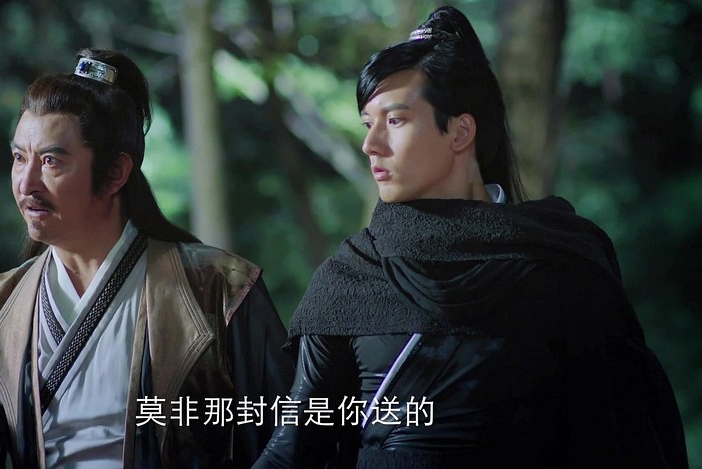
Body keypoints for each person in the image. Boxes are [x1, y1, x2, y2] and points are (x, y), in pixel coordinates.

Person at [254, 6, 688, 469]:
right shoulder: (352, 274)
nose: (370, 144)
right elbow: (294, 448)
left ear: (460, 131)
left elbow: (619, 437)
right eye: (367, 124)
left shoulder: (559, 263)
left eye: (395, 121)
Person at [0, 48, 294, 469]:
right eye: (19, 158)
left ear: (115, 173)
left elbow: (289, 431)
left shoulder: (215, 288)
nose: (26, 183)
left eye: (50, 161)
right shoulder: (3, 303)